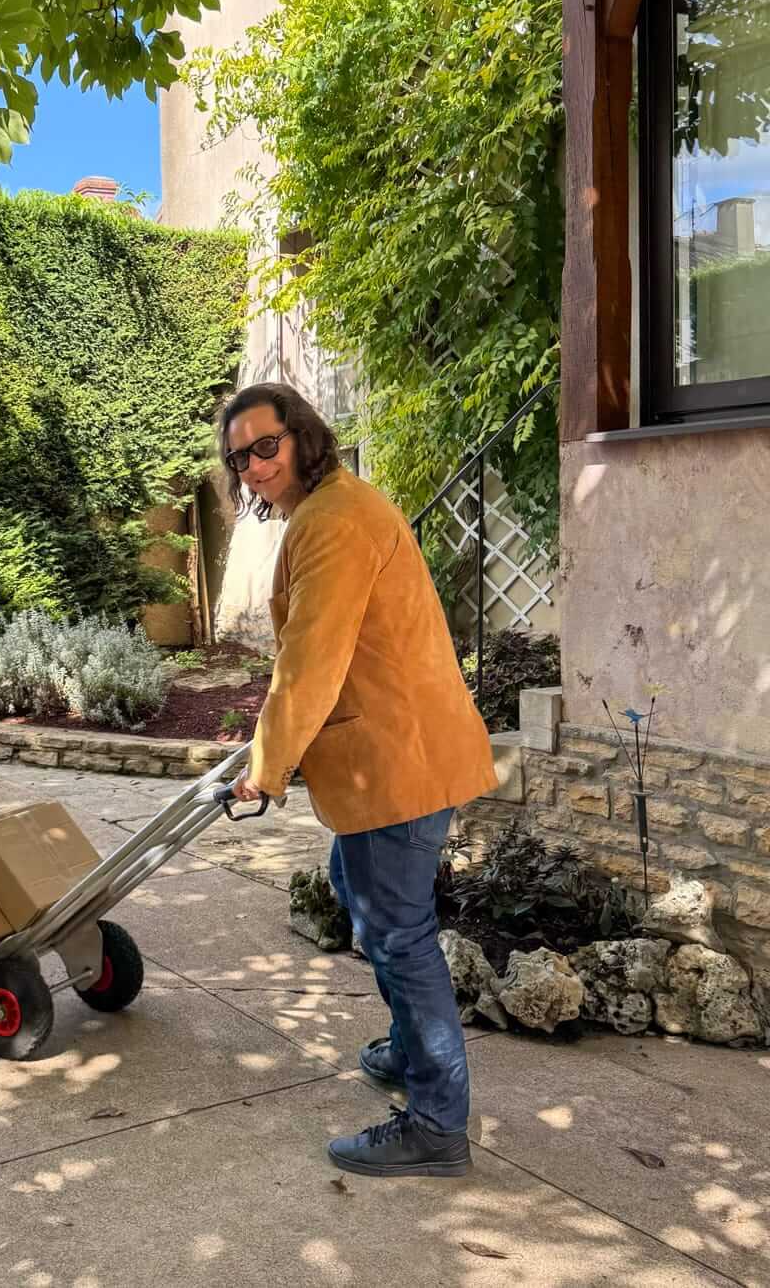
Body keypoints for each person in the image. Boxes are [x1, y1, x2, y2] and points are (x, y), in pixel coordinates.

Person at [222, 382, 496, 1179]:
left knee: (401, 939)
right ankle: (409, 1051)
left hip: (393, 761)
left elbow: (311, 660)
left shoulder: (333, 521)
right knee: (362, 891)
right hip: (406, 750)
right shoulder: (336, 505)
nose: (253, 468)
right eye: (240, 458)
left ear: (303, 438)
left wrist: (266, 768)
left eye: (265, 447)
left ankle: (436, 1125)